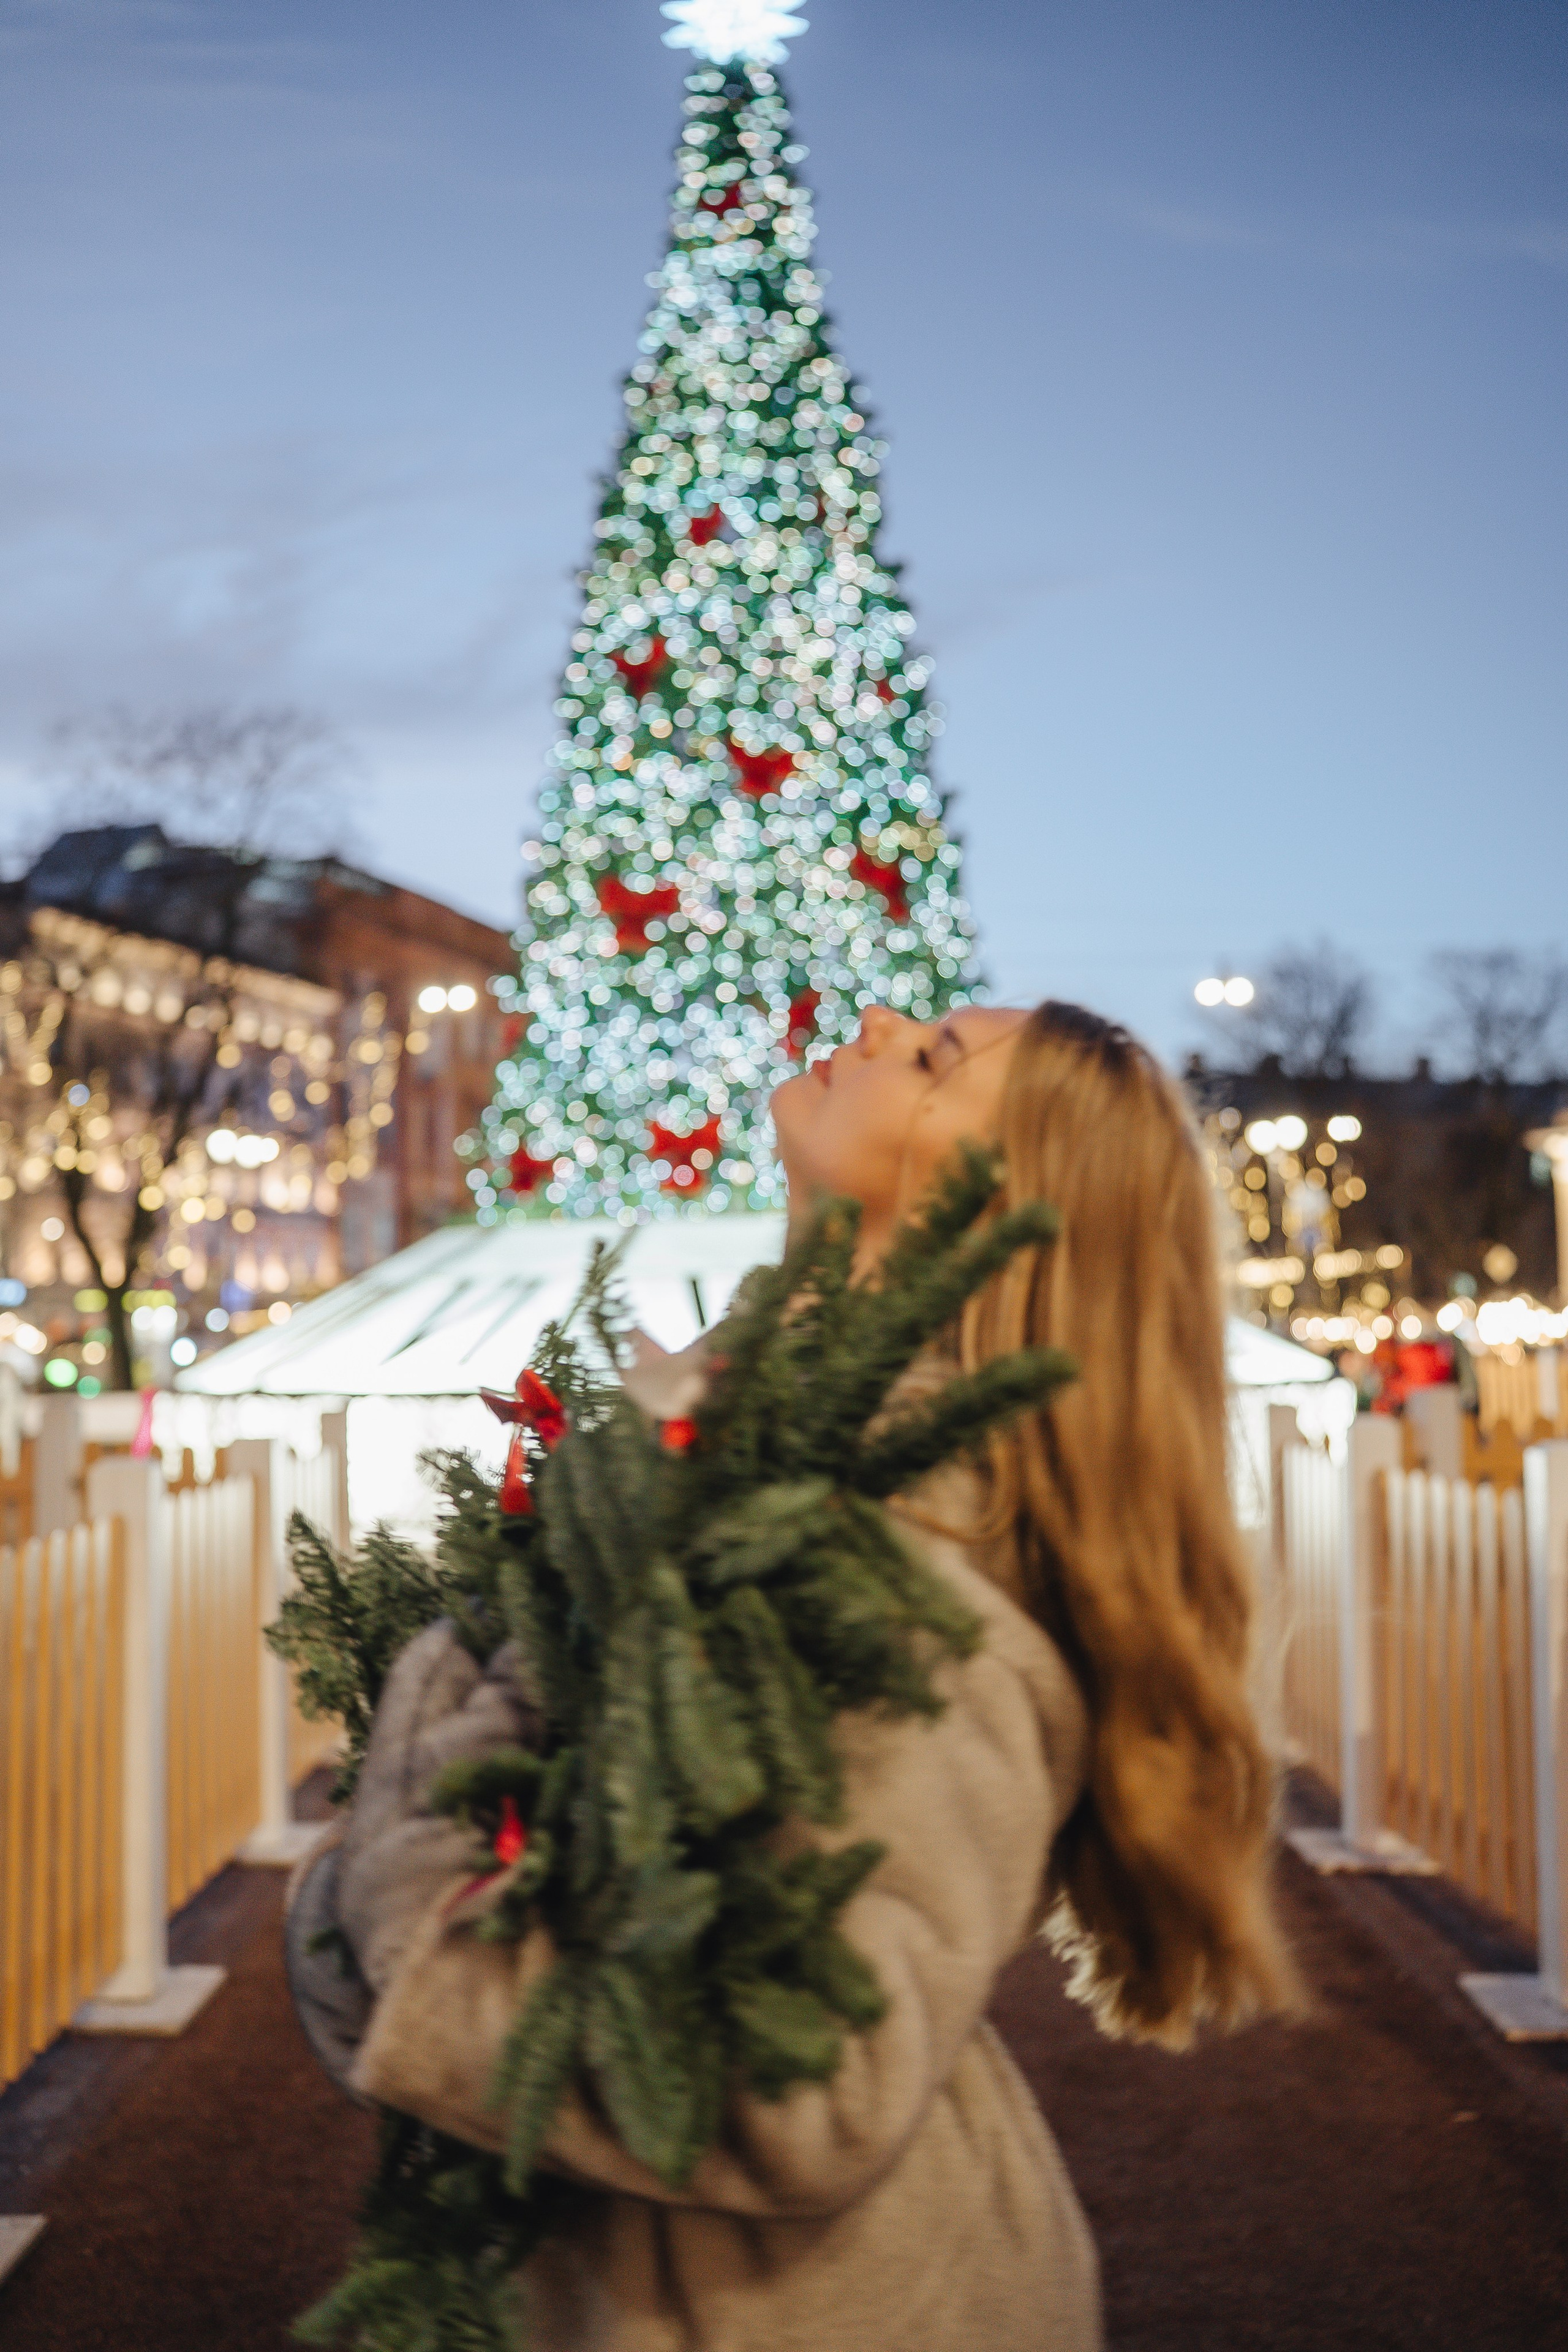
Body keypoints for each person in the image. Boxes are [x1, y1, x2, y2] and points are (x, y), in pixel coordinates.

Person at [289, 999, 1298, 2351]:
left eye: (934, 1056)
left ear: (1005, 1201)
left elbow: (803, 2090)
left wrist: (396, 1913)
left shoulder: (911, 1572)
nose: (875, 1014)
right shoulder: (755, 1454)